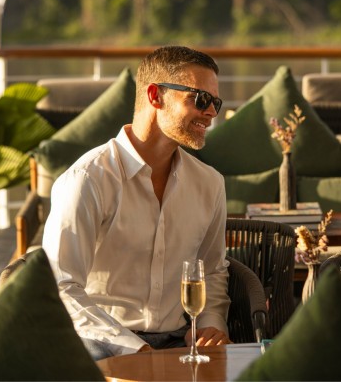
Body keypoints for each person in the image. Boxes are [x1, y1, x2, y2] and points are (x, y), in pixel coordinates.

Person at [42, 45, 231, 360]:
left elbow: (212, 270)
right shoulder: (87, 180)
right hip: (100, 342)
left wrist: (211, 324)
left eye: (216, 103)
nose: (211, 112)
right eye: (200, 99)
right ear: (156, 96)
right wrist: (134, 348)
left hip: (180, 343)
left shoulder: (210, 184)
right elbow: (61, 287)